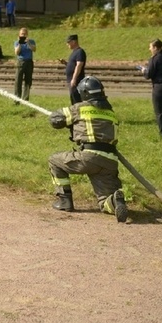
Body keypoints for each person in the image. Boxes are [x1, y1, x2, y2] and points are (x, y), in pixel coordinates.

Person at [47, 76, 128, 222]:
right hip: (110, 162)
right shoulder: (111, 113)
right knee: (104, 203)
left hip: (89, 158)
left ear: (84, 93)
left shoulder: (80, 108)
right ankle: (115, 202)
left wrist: (68, 122)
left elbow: (55, 120)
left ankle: (64, 201)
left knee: (54, 161)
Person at [139, 38, 162, 138]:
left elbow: (149, 75)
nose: (149, 49)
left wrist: (144, 71)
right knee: (161, 109)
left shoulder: (154, 59)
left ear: (156, 48)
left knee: (159, 111)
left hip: (160, 88)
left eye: (150, 47)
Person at [59, 34, 86, 104]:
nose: (67, 44)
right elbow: (73, 65)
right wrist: (65, 63)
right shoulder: (74, 52)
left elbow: (79, 66)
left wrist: (74, 79)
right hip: (71, 80)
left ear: (74, 42)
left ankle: (78, 113)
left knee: (76, 99)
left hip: (76, 80)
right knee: (73, 98)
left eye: (68, 42)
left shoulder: (80, 52)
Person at [13, 27, 36, 102]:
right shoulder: (17, 42)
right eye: (22, 34)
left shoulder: (31, 41)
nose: (24, 35)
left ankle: (25, 99)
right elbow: (17, 52)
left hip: (29, 62)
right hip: (20, 62)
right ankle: (17, 99)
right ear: (19, 35)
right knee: (18, 81)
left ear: (27, 34)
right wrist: (20, 43)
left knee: (28, 81)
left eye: (25, 34)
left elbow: (34, 49)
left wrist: (28, 42)